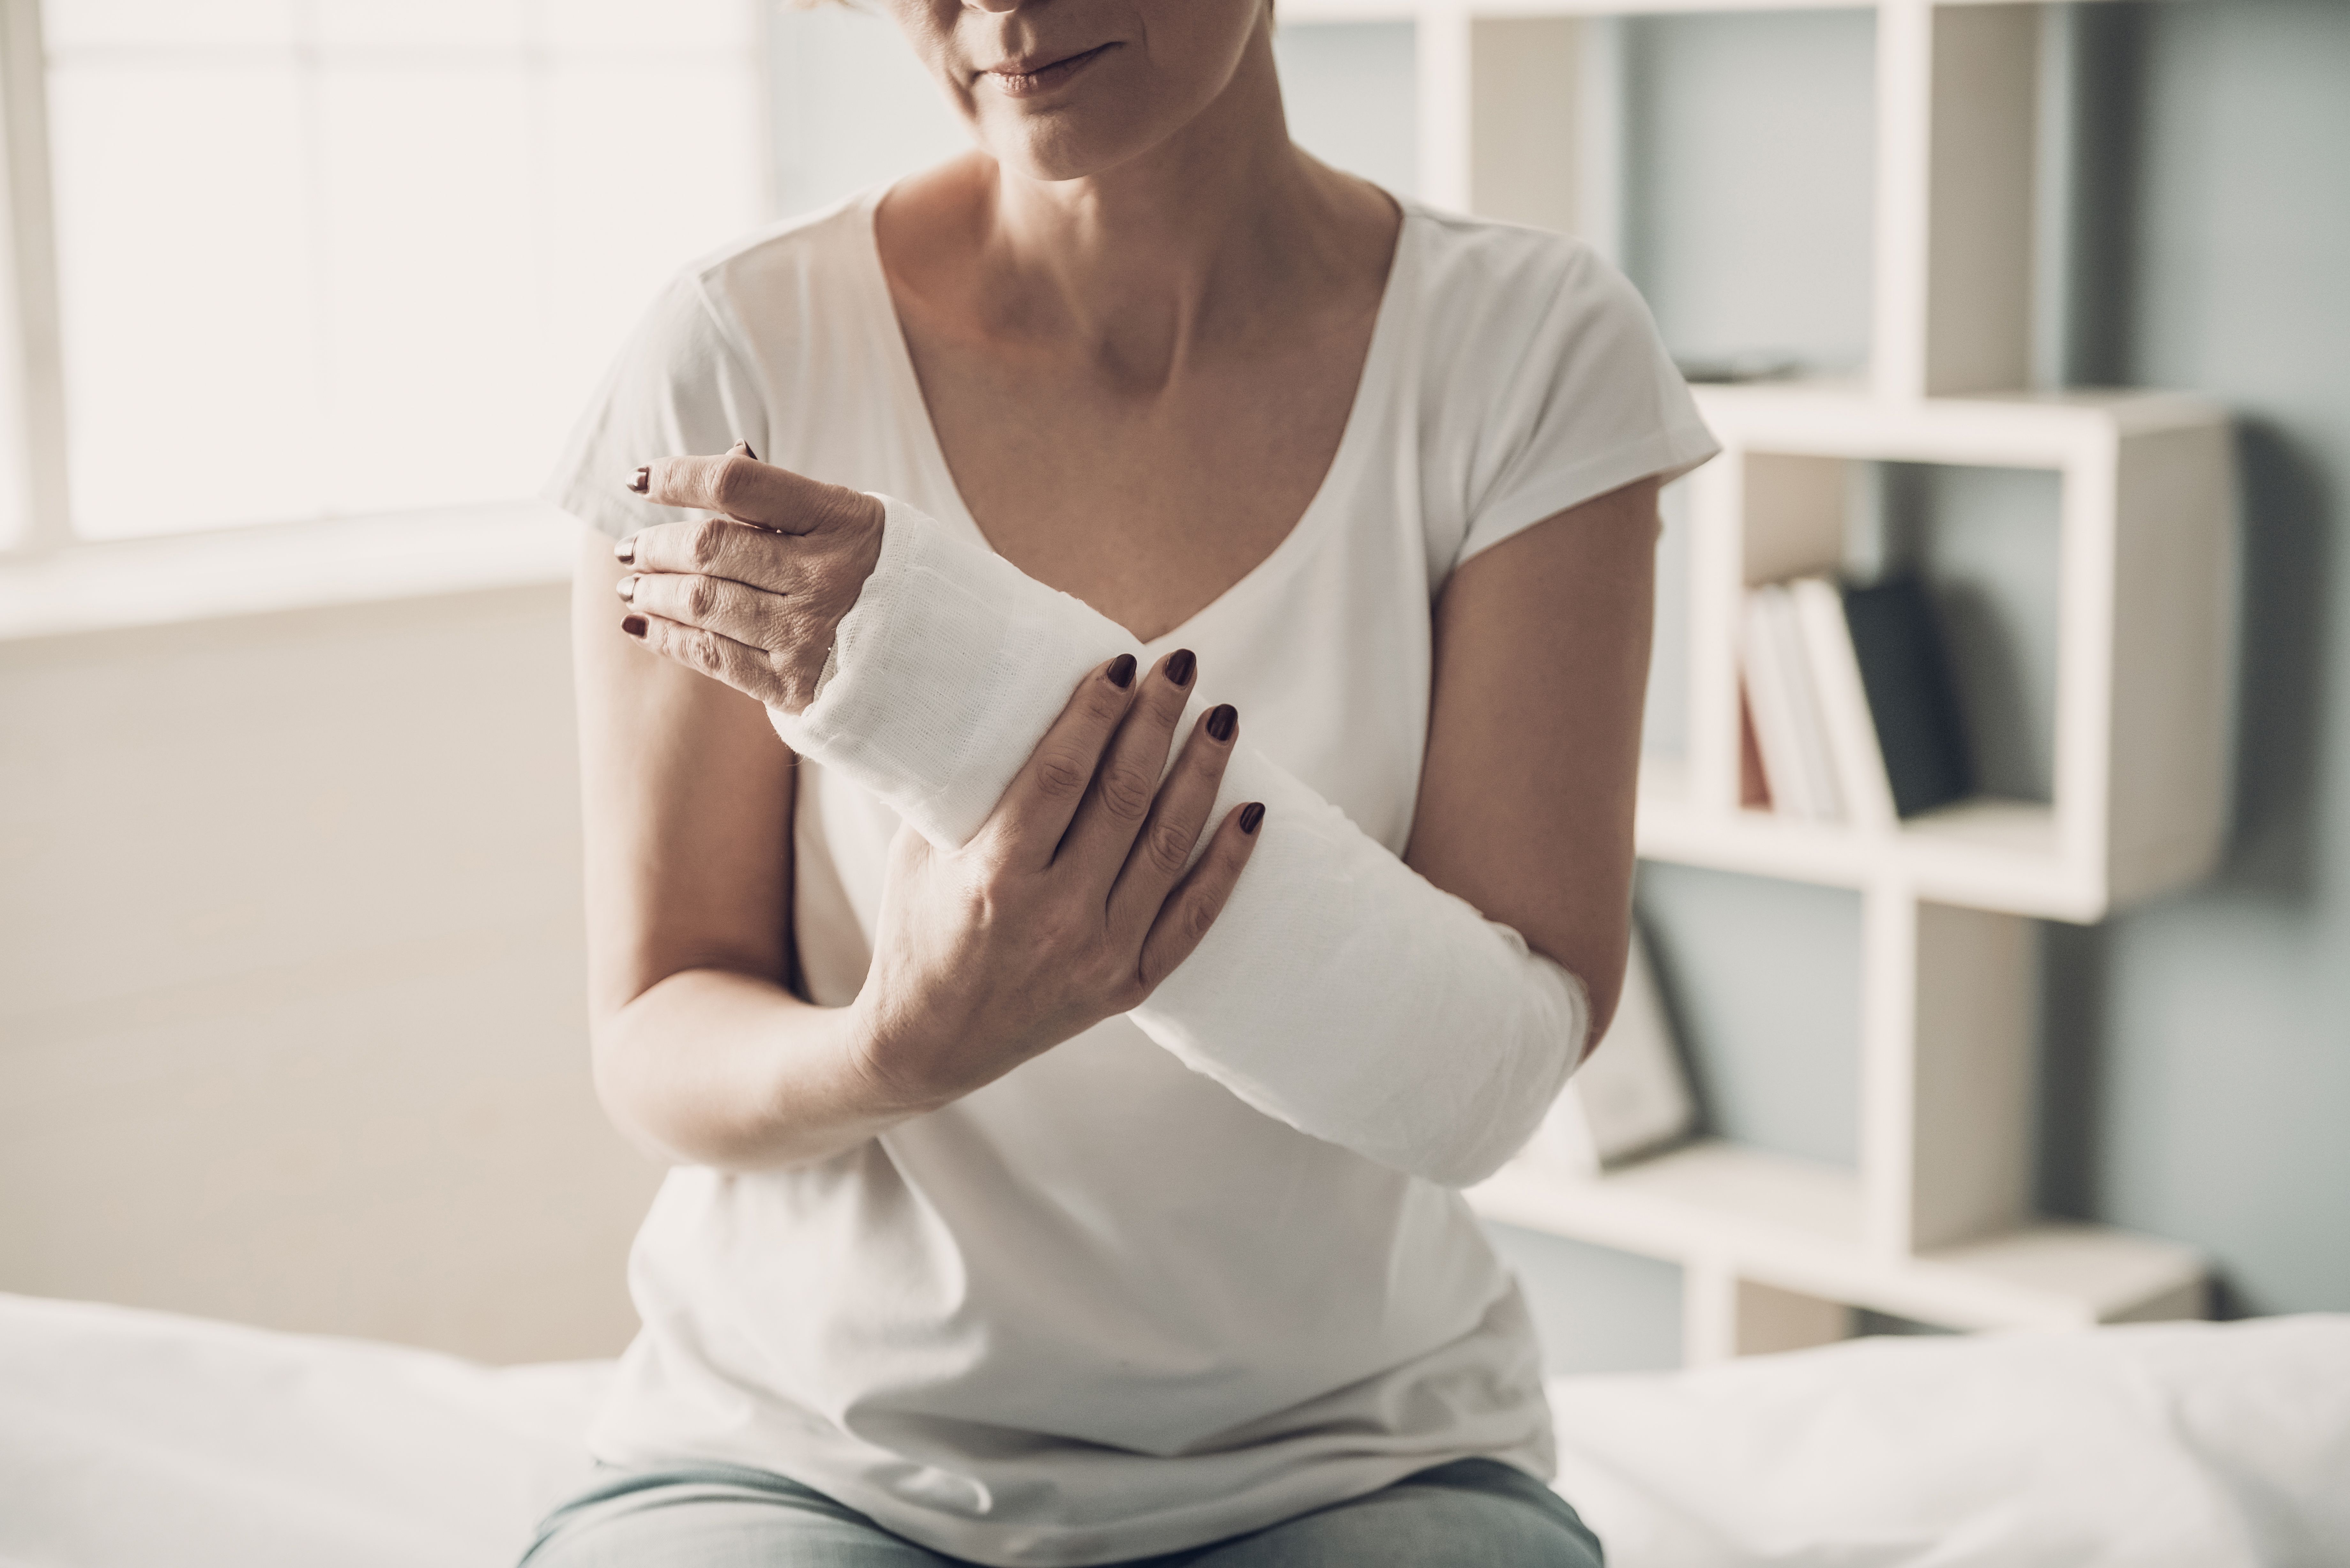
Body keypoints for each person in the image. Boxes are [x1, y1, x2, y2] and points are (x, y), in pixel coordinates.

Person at [530, 0, 1714, 1561]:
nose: (1000, 14)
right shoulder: (737, 353)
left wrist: (943, 672)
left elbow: (1492, 1066)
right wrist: (895, 1052)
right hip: (802, 1447)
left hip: (1351, 1456)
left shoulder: (1531, 348)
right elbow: (657, 1026)